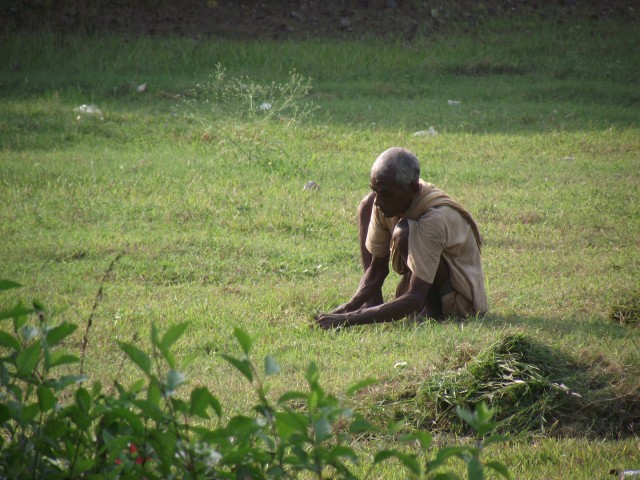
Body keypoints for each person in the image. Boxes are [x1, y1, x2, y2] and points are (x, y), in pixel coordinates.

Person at [315, 147, 487, 329]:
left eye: (386, 194)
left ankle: (432, 312)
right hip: (423, 289)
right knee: (367, 205)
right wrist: (346, 308)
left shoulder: (434, 219)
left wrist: (347, 319)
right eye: (375, 191)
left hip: (460, 302)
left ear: (412, 189)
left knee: (404, 233)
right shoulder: (387, 199)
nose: (378, 201)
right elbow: (377, 269)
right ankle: (375, 303)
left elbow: (414, 298)